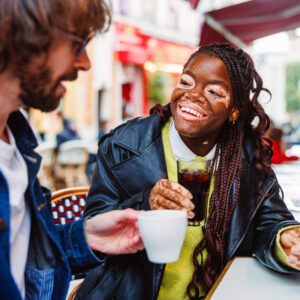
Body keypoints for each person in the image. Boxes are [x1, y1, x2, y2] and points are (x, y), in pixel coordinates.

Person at [80, 43, 300, 300]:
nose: (193, 95)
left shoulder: (249, 160)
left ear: (234, 111)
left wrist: (284, 238)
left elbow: (270, 223)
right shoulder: (123, 146)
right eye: (186, 82)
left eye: (215, 91)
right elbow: (93, 231)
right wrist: (145, 203)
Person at [0, 1, 144, 300]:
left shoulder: (17, 146)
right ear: (23, 39)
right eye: (77, 45)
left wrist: (86, 237)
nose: (85, 64)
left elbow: (20, 260)